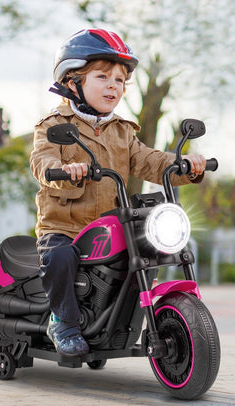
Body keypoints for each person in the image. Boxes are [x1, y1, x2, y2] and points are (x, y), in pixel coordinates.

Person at [30, 29, 206, 358]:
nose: (114, 85)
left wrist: (185, 164)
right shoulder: (52, 125)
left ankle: (119, 322)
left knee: (147, 248)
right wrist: (63, 170)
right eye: (102, 76)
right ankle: (63, 321)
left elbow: (149, 160)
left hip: (111, 225)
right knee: (59, 256)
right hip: (65, 227)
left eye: (121, 80)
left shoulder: (122, 130)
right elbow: (42, 159)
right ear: (72, 81)